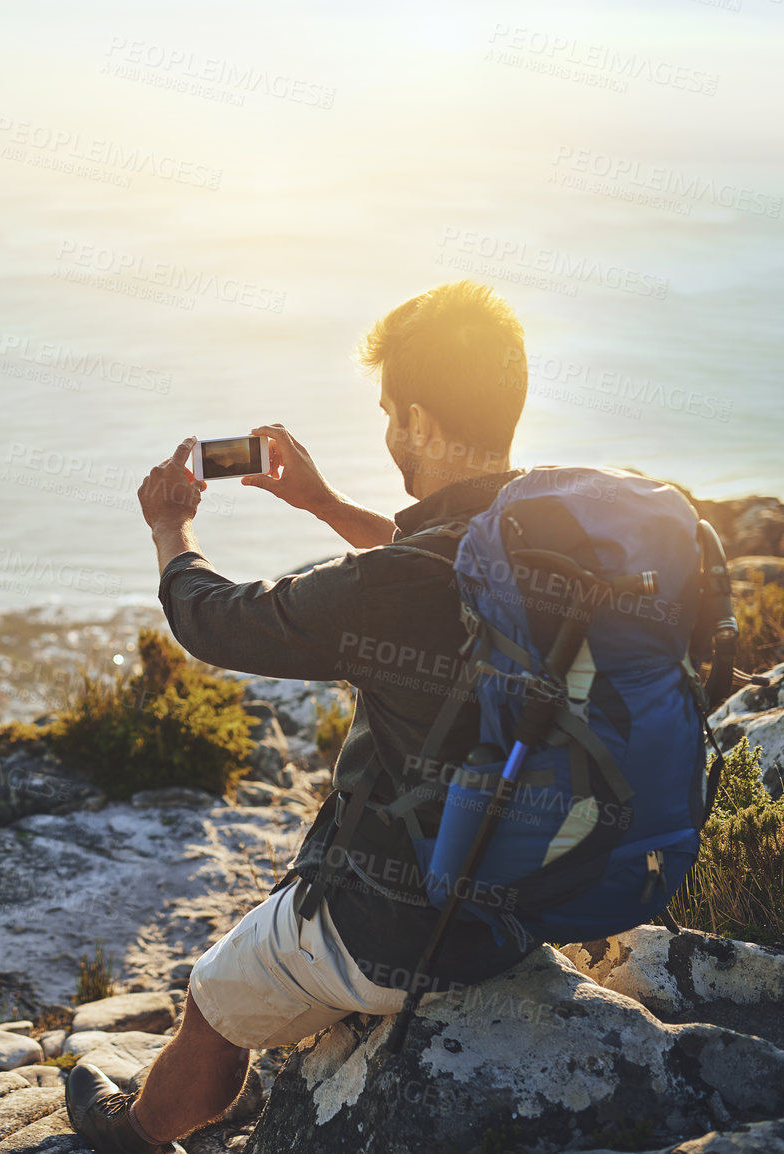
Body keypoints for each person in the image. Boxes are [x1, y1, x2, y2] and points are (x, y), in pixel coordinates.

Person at [67, 280, 539, 1153]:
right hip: (542, 889)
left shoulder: (392, 586)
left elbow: (212, 618)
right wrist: (323, 505)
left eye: (395, 414)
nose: (392, 433)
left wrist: (172, 530)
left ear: (423, 424)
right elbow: (436, 574)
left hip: (406, 923)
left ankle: (132, 1133)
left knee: (212, 999)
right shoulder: (543, 530)